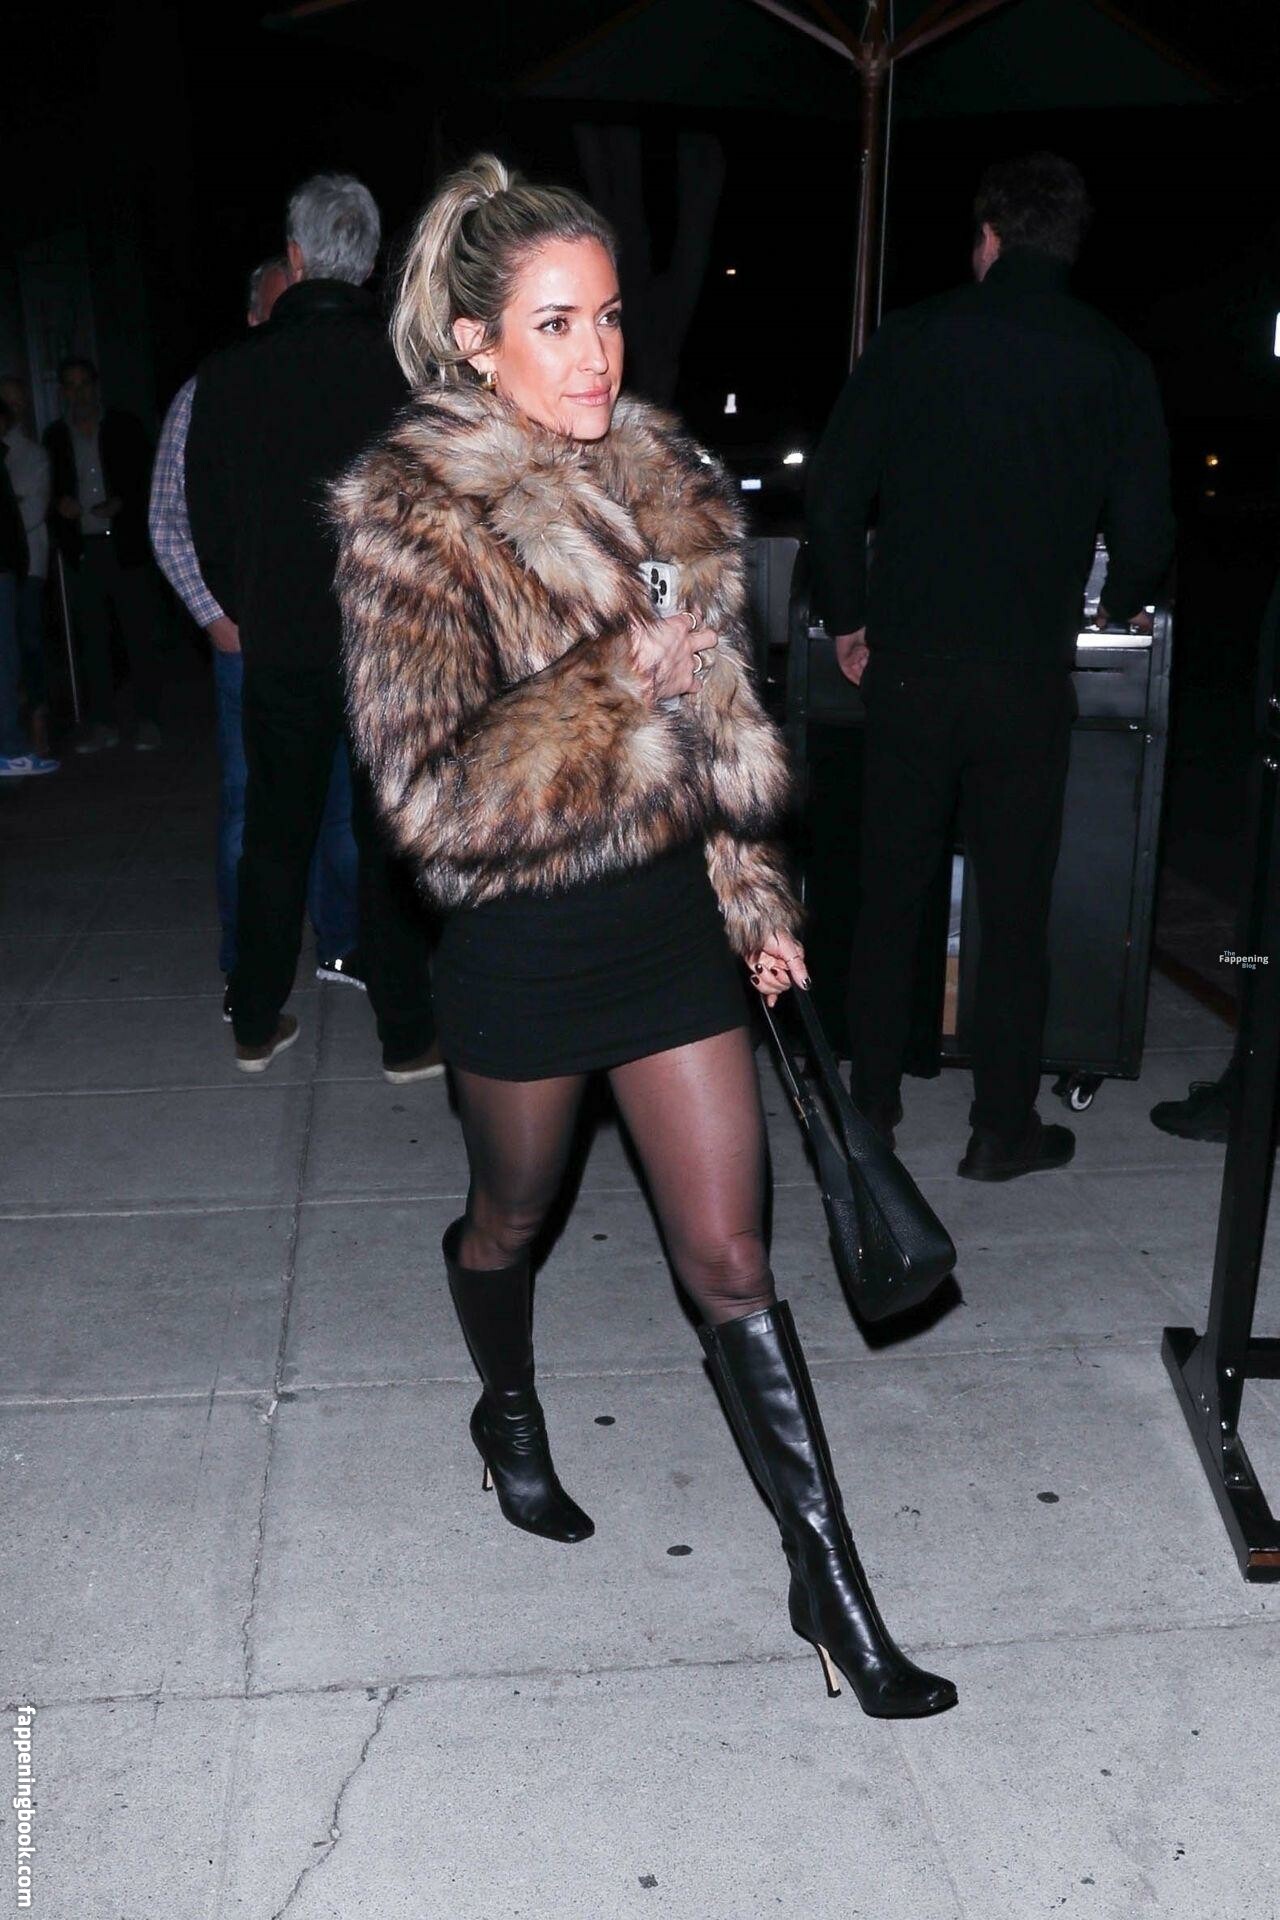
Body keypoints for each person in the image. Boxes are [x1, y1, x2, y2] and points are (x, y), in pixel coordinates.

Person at [331, 154, 957, 1720]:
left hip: (671, 925)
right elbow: (424, 799)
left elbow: (719, 727)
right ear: (476, 340)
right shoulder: (415, 512)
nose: (597, 354)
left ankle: (833, 1591)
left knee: (731, 1258)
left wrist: (752, 897)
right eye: (556, 324)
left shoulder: (660, 477)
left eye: (608, 317)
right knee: (509, 1219)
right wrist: (617, 683)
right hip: (525, 943)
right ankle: (506, 1407)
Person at [808, 152, 1174, 1181]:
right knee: (1015, 907)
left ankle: (871, 1106)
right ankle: (1000, 1126)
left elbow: (835, 497)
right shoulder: (1112, 360)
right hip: (1024, 674)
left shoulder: (915, 336)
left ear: (987, 238)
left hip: (911, 664)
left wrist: (849, 621)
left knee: (890, 894)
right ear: (1069, 244)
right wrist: (1116, 600)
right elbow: (1146, 529)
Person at [185, 174, 437, 1078]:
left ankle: (255, 1020)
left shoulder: (229, 375)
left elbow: (207, 519)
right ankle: (406, 1034)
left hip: (283, 644)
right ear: (368, 263)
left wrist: (250, 600)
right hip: (388, 645)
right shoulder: (407, 373)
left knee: (274, 836)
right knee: (387, 840)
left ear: (294, 258)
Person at [149, 256, 363, 1020]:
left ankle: (343, 944)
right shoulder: (212, 391)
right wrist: (218, 618)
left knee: (344, 806)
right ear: (252, 317)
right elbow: (168, 516)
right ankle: (245, 971)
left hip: (338, 640)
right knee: (252, 809)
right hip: (253, 643)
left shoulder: (334, 384)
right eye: (280, 309)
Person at [45, 357, 163, 752]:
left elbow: (146, 477)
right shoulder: (56, 436)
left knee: (137, 634)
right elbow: (49, 487)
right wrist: (60, 505)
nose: (79, 393)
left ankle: (148, 719)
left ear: (95, 386)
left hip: (123, 545)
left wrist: (122, 502)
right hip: (84, 549)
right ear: (63, 392)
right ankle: (103, 723)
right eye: (71, 386)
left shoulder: (124, 426)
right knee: (93, 641)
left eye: (84, 384)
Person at [0, 414, 57, 778]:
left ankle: (15, 742)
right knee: (6, 658)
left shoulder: (29, 455)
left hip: (13, 567)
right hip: (4, 568)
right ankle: (9, 748)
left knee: (14, 654)